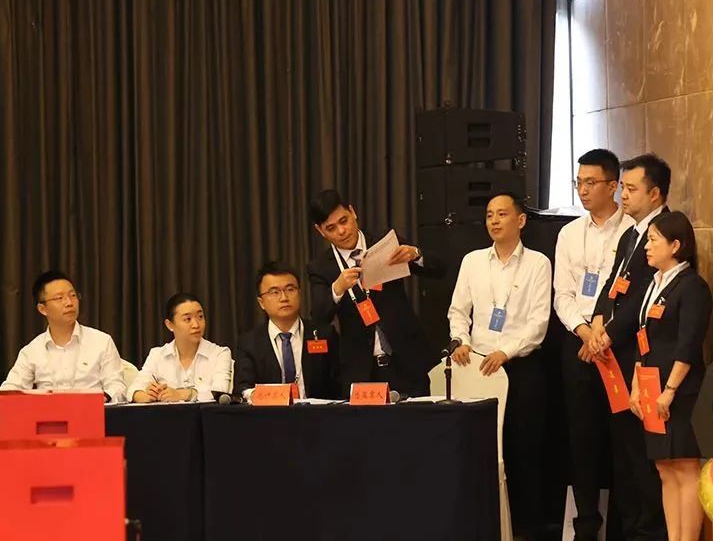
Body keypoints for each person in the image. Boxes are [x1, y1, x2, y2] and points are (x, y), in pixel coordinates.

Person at [447, 191, 552, 540]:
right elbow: (458, 311)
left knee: (524, 453)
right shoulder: (473, 261)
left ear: (520, 220)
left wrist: (506, 351)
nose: (494, 220)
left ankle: (526, 530)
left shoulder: (538, 263)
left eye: (502, 214)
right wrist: (461, 340)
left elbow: (538, 323)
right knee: (482, 451)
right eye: (490, 214)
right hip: (479, 371)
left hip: (521, 368)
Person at [590, 153, 672, 540]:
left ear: (655, 194)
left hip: (639, 354)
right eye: (622, 187)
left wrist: (608, 333)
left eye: (631, 189)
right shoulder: (630, 234)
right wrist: (596, 321)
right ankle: (628, 526)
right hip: (614, 355)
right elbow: (613, 284)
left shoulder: (665, 234)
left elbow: (642, 294)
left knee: (643, 452)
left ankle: (649, 529)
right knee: (623, 449)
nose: (623, 195)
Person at [554, 149, 633, 540]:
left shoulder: (632, 230)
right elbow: (563, 294)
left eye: (591, 182)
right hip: (579, 345)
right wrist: (586, 332)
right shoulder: (569, 233)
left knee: (622, 439)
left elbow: (631, 294)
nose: (583, 190)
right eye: (579, 182)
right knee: (582, 438)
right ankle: (586, 525)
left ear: (613, 185)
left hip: (619, 347)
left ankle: (622, 526)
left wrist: (604, 336)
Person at [307, 189, 445, 397]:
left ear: (353, 212)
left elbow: (440, 269)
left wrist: (415, 254)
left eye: (344, 221)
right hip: (362, 368)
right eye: (331, 228)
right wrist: (337, 288)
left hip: (406, 360)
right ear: (320, 231)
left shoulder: (384, 242)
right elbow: (319, 316)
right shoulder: (320, 267)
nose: (342, 231)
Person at [630, 211, 711, 541]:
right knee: (664, 468)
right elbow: (643, 337)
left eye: (653, 240)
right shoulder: (655, 284)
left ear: (675, 245)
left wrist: (670, 389)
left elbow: (688, 345)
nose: (646, 247)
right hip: (651, 386)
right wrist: (636, 385)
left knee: (685, 467)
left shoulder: (691, 287)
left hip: (680, 390)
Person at [0, 270, 126, 404]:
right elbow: (14, 386)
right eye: (59, 298)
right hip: (48, 415)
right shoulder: (32, 351)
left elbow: (117, 386)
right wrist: (0, 394)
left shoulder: (101, 342)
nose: (69, 302)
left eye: (72, 295)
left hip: (93, 412)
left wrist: (102, 398)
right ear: (42, 309)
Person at [236, 262, 341, 401]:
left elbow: (339, 381)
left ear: (300, 294)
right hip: (270, 413)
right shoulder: (249, 343)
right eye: (274, 292)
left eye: (290, 289)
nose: (284, 298)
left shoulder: (324, 334)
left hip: (318, 412)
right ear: (261, 302)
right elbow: (244, 387)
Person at [128, 293, 232, 403]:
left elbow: (221, 391)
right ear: (169, 325)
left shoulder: (220, 353)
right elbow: (134, 389)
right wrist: (145, 395)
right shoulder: (157, 355)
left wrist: (182, 394)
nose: (196, 325)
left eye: (200, 317)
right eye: (187, 319)